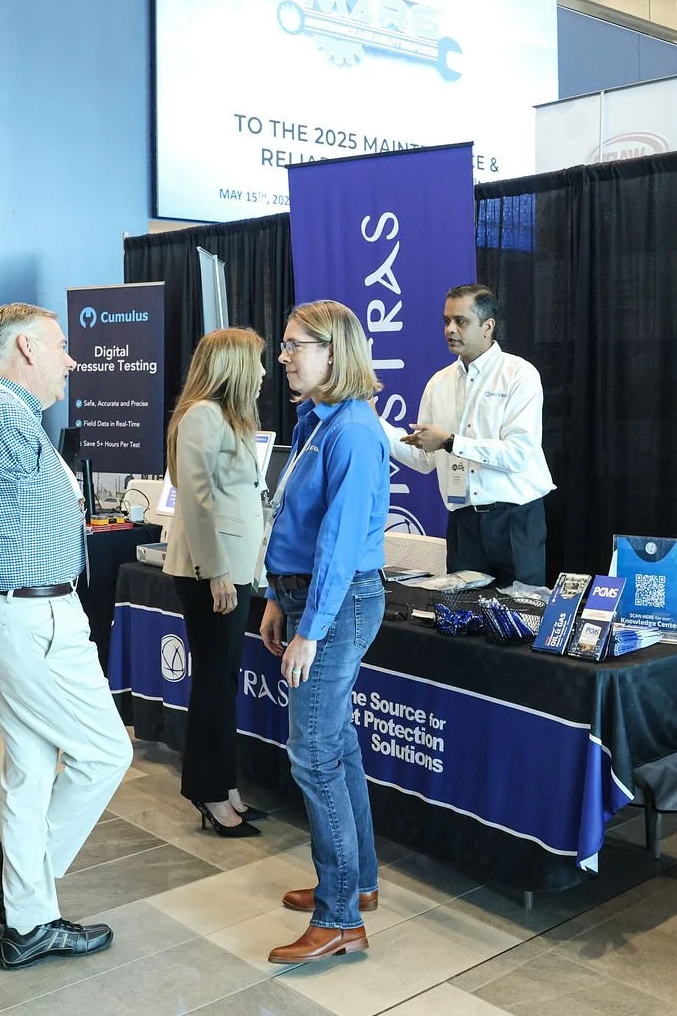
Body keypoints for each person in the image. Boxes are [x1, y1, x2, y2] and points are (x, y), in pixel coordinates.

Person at [0, 302, 133, 973]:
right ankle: (19, 884)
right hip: (32, 617)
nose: (72, 360)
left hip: (8, 608)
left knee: (29, 770)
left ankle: (27, 923)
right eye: (61, 345)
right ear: (24, 347)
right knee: (105, 753)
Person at [261, 299, 389, 967]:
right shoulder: (319, 420)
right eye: (284, 346)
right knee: (336, 746)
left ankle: (338, 917)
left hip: (335, 605)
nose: (284, 357)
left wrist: (311, 628)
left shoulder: (354, 431)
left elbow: (339, 547)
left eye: (294, 345)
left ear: (333, 351)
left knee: (313, 754)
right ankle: (357, 883)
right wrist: (276, 597)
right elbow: (299, 525)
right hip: (306, 596)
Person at [163, 328, 267, 838]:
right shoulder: (202, 415)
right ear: (234, 367)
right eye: (259, 363)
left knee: (224, 681)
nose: (267, 373)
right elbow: (199, 500)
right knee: (213, 683)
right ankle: (208, 792)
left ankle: (224, 788)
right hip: (211, 571)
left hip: (233, 569)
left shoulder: (234, 419)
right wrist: (218, 571)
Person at [384, 283, 553, 586]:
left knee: (522, 617)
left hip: (515, 519)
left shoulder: (519, 374)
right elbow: (424, 458)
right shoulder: (439, 382)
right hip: (464, 522)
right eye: (446, 321)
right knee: (461, 621)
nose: (450, 329)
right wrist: (374, 425)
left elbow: (518, 454)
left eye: (461, 321)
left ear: (488, 326)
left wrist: (450, 442)